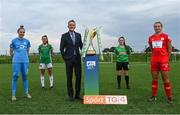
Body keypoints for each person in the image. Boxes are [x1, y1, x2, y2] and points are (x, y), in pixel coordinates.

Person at [148, 21, 173, 104]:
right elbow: (152, 49)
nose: (157, 28)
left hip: (163, 61)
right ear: (154, 28)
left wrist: (166, 58)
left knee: (165, 79)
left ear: (161, 27)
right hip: (154, 60)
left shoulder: (166, 36)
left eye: (158, 26)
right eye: (155, 26)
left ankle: (169, 97)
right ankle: (153, 96)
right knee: (154, 79)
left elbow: (169, 49)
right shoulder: (151, 38)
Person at [60, 20, 83, 101]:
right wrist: (65, 58)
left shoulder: (79, 35)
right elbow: (61, 49)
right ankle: (70, 95)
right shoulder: (64, 36)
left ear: (75, 26)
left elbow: (81, 47)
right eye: (70, 25)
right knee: (69, 77)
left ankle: (77, 94)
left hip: (77, 59)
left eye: (73, 25)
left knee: (78, 77)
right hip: (69, 60)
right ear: (68, 26)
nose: (72, 26)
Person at [10, 25, 32, 101]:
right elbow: (11, 51)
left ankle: (27, 93)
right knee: (15, 76)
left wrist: (25, 58)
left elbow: (27, 51)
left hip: (25, 61)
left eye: (23, 32)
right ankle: (13, 95)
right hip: (16, 61)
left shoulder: (27, 41)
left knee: (25, 76)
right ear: (18, 32)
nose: (22, 33)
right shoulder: (14, 41)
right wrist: (15, 57)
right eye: (21, 32)